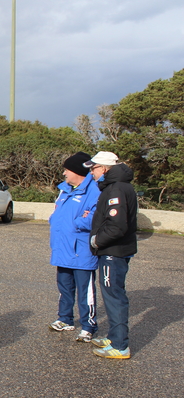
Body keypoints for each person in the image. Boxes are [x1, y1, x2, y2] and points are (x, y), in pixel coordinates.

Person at [85, 151, 137, 359]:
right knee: (112, 294)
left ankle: (120, 345)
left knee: (114, 296)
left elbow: (117, 226)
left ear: (105, 169)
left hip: (113, 253)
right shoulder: (116, 187)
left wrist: (96, 241)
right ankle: (114, 337)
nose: (91, 173)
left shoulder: (116, 189)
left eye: (94, 168)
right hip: (113, 251)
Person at [48, 152, 101, 342]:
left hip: (81, 251)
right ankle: (65, 319)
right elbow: (57, 213)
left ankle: (88, 326)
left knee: (85, 291)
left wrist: (79, 222)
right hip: (62, 249)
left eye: (66, 170)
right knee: (64, 287)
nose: (64, 174)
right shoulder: (64, 190)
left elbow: (96, 217)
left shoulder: (94, 190)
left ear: (77, 171)